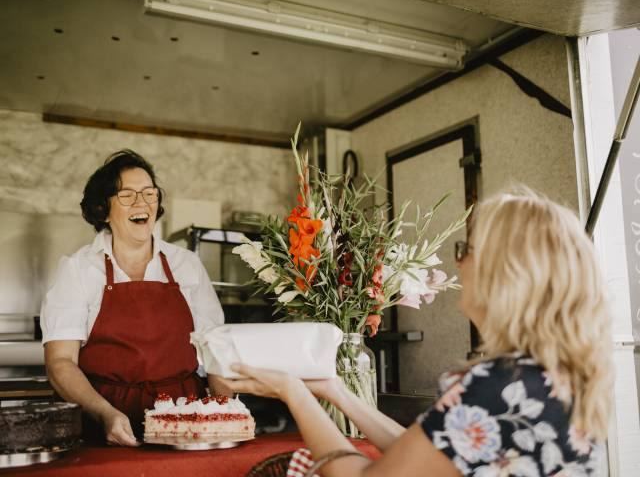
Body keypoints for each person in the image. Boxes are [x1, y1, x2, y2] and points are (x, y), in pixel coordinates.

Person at [221, 188, 613, 476]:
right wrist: (333, 390)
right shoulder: (552, 378)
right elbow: (420, 454)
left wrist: (294, 392)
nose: (459, 264)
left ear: (504, 274)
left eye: (466, 249)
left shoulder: (493, 386)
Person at [42, 149, 228, 446]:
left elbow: (216, 354)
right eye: (127, 195)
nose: (142, 202)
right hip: (103, 424)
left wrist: (226, 412)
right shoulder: (78, 269)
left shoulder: (186, 265)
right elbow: (61, 362)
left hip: (184, 424)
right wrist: (105, 414)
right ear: (104, 209)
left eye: (149, 193)